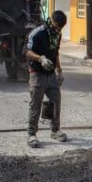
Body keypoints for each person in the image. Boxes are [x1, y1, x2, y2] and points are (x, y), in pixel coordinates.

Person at [24, 10, 68, 148]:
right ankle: (31, 134)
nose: (57, 30)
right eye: (56, 27)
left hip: (51, 75)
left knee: (56, 101)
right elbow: (26, 51)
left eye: (60, 28)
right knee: (35, 104)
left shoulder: (57, 34)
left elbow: (56, 53)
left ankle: (55, 130)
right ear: (51, 21)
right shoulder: (38, 32)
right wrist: (40, 58)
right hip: (37, 74)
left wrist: (59, 70)